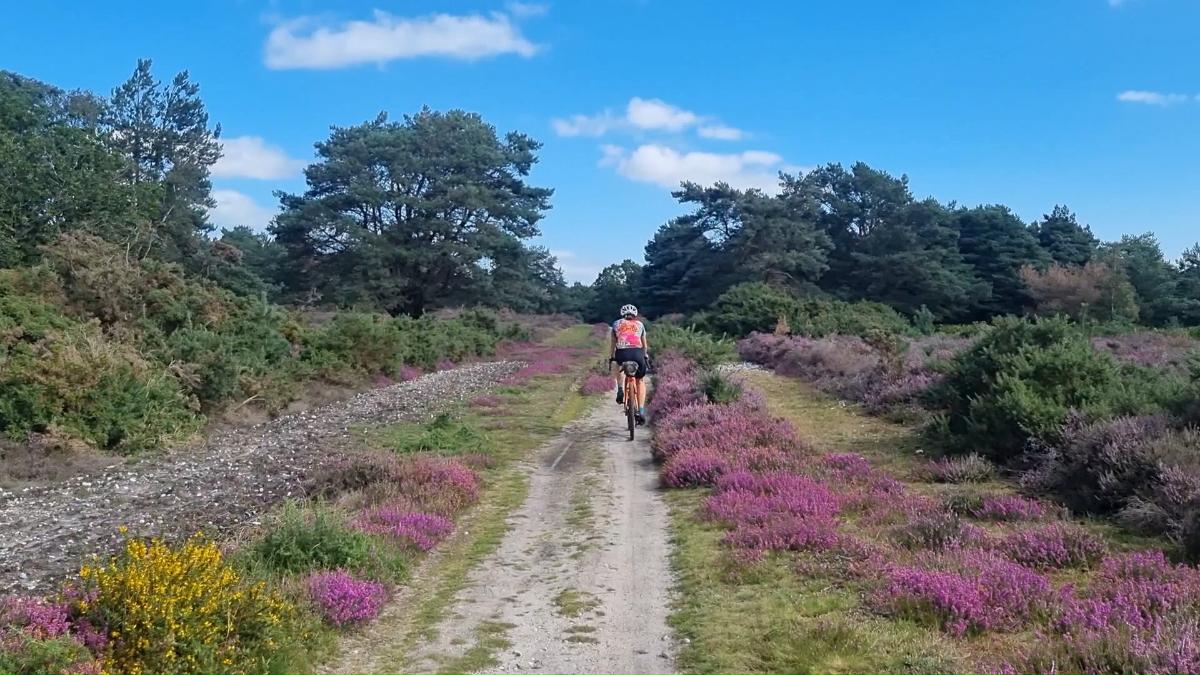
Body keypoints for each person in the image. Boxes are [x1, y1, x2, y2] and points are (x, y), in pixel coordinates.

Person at [611, 304, 649, 425]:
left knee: (617, 363)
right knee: (640, 380)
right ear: (635, 315)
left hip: (622, 353)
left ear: (622, 314)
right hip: (638, 353)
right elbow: (644, 344)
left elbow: (613, 344)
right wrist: (646, 355)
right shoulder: (640, 325)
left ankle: (620, 389)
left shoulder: (616, 324)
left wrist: (611, 357)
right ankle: (641, 411)